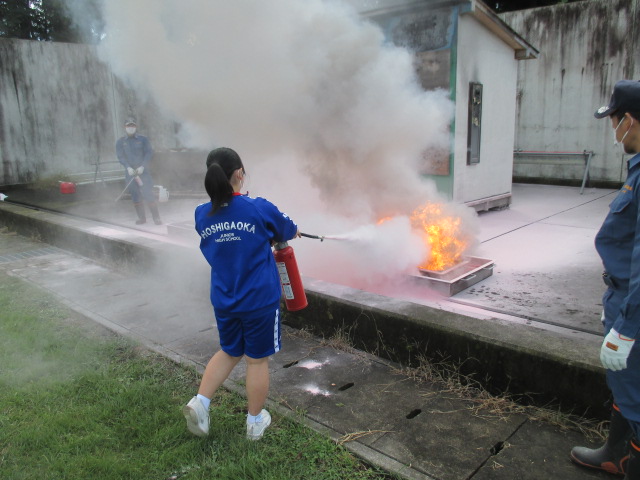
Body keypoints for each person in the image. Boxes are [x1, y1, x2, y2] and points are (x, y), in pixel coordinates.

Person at [183, 147, 300, 441]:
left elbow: (231, 242)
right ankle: (255, 420)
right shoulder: (257, 207)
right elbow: (287, 226)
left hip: (225, 299)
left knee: (229, 350)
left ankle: (200, 403)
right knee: (257, 360)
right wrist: (282, 234)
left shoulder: (201, 214)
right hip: (258, 301)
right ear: (239, 174)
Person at [571, 80, 640, 479]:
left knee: (637, 399)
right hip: (622, 297)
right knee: (624, 387)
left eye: (613, 119)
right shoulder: (637, 168)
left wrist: (627, 328)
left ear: (627, 120)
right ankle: (614, 454)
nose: (613, 129)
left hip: (634, 308)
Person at [115, 117, 162, 225]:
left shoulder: (143, 139)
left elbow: (149, 153)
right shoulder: (121, 142)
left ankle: (156, 218)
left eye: (132, 126)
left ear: (135, 127)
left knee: (148, 193)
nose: (130, 128)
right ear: (125, 127)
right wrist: (127, 167)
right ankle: (142, 218)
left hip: (143, 172)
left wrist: (143, 166)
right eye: (128, 126)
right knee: (135, 194)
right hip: (130, 172)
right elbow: (120, 156)